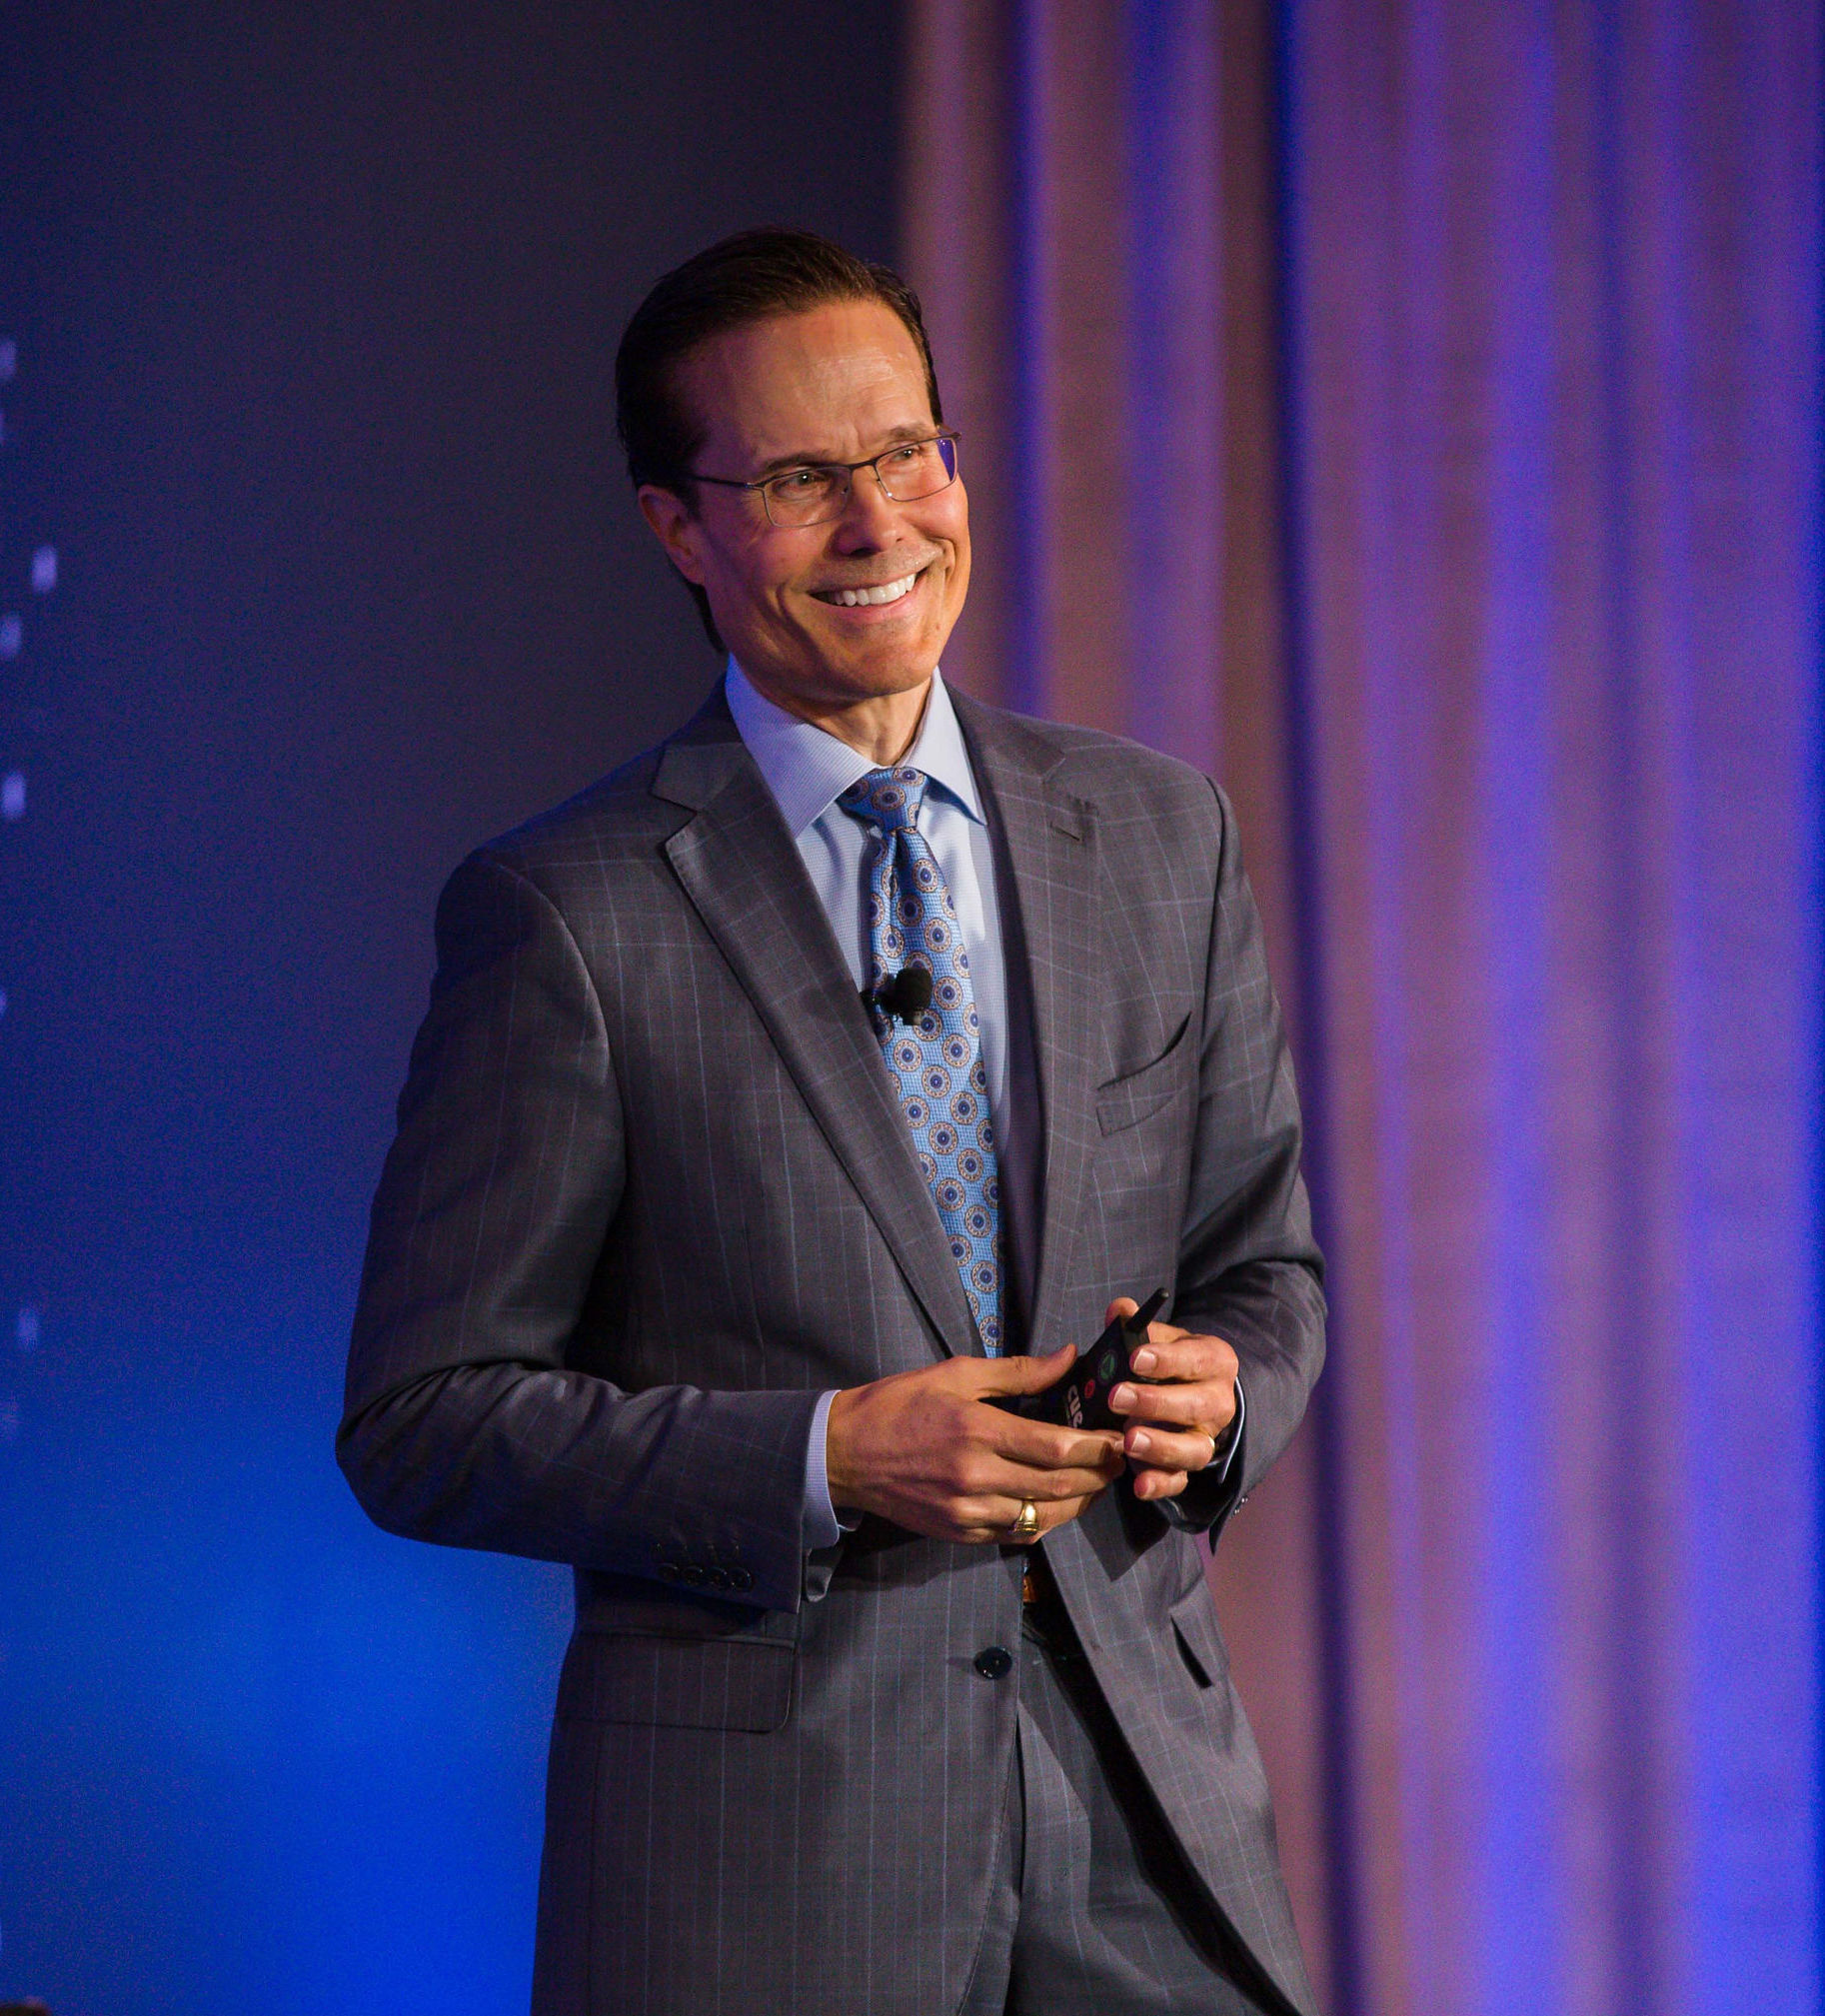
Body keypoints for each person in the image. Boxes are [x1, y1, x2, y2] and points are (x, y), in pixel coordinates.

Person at [339, 228, 1325, 2016]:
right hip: (764, 1873)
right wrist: (826, 1457)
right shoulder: (567, 913)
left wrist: (1224, 1390)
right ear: (678, 527)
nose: (879, 525)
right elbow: (425, 1421)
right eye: (800, 479)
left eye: (905, 453)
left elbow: (1264, 1264)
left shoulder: (1157, 831)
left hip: (1148, 1830)